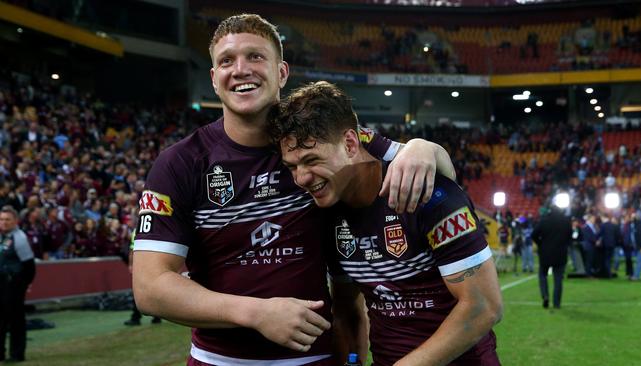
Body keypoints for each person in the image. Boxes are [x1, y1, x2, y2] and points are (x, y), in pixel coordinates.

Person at [132, 14, 456, 366]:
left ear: (282, 72)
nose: (240, 69)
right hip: (218, 360)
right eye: (227, 60)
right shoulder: (179, 163)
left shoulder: (319, 139)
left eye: (255, 56)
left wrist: (425, 147)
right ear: (214, 78)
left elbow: (438, 172)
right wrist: (255, 313)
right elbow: (150, 288)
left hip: (317, 360)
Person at [269, 81, 502, 366]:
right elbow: (347, 310)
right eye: (292, 166)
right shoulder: (328, 215)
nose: (301, 178)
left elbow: (483, 307)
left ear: (351, 144)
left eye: (312, 160)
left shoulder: (428, 193)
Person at [0, 205, 36, 362]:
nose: (4, 222)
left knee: (15, 319)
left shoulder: (19, 238)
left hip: (13, 283)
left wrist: (24, 284)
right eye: (1, 219)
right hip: (1, 282)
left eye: (7, 219)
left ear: (15, 221)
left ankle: (17, 354)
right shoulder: (2, 236)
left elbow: (29, 265)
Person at [531, 206, 572, 309]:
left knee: (542, 275)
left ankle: (545, 295)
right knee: (558, 279)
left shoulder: (544, 221)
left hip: (545, 254)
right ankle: (556, 303)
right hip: (560, 254)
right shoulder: (566, 221)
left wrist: (541, 244)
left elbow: (533, 235)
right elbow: (569, 237)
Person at [626, 212, 641, 281]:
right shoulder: (636, 224)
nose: (632, 218)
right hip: (639, 246)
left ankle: (636, 276)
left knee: (639, 261)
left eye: (633, 217)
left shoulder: (640, 225)